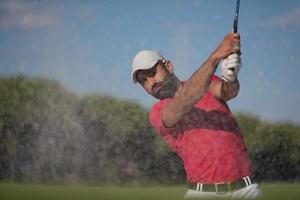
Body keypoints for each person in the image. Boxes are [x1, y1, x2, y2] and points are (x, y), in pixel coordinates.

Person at [131, 33, 261, 199]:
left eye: (152, 72)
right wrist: (217, 55)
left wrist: (231, 76)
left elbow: (228, 92)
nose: (151, 82)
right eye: (143, 81)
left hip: (245, 191)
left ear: (169, 66)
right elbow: (188, 97)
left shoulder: (205, 82)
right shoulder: (158, 112)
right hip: (202, 194)